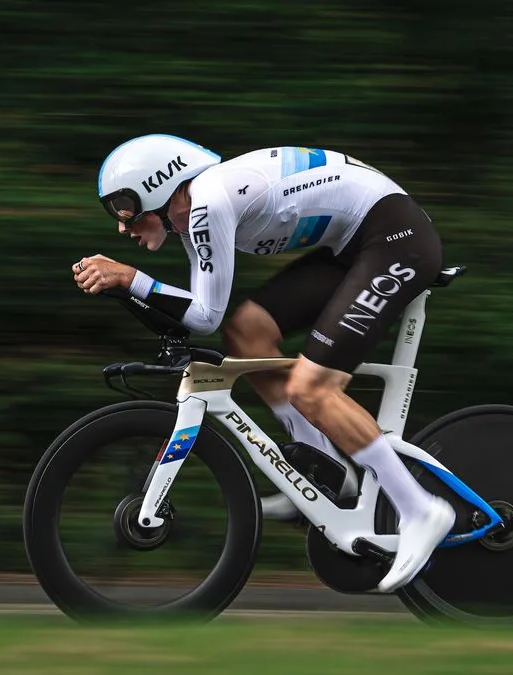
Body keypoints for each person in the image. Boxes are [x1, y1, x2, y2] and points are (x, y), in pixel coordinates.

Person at [75, 134, 455, 593]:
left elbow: (201, 317)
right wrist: (131, 284)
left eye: (126, 209)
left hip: (396, 242)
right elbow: (212, 319)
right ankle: (320, 466)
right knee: (248, 331)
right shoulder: (202, 206)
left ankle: (420, 510)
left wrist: (128, 278)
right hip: (356, 246)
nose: (123, 227)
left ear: (158, 186)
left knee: (311, 389)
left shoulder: (208, 203)